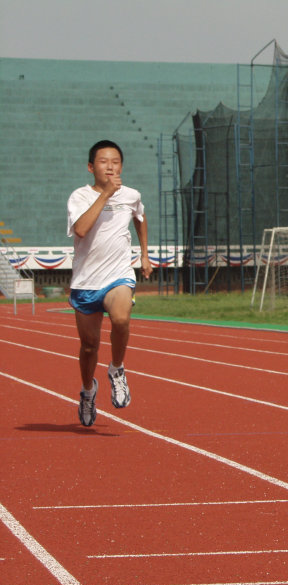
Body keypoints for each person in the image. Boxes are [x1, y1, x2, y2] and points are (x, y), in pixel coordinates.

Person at [67, 140, 152, 427]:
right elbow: (80, 229)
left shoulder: (131, 195)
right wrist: (105, 195)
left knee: (121, 317)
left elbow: (140, 218)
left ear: (121, 166)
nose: (110, 166)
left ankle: (116, 369)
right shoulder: (79, 196)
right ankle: (88, 391)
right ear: (91, 167)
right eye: (103, 161)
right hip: (86, 281)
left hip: (118, 274)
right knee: (89, 346)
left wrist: (144, 254)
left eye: (115, 161)